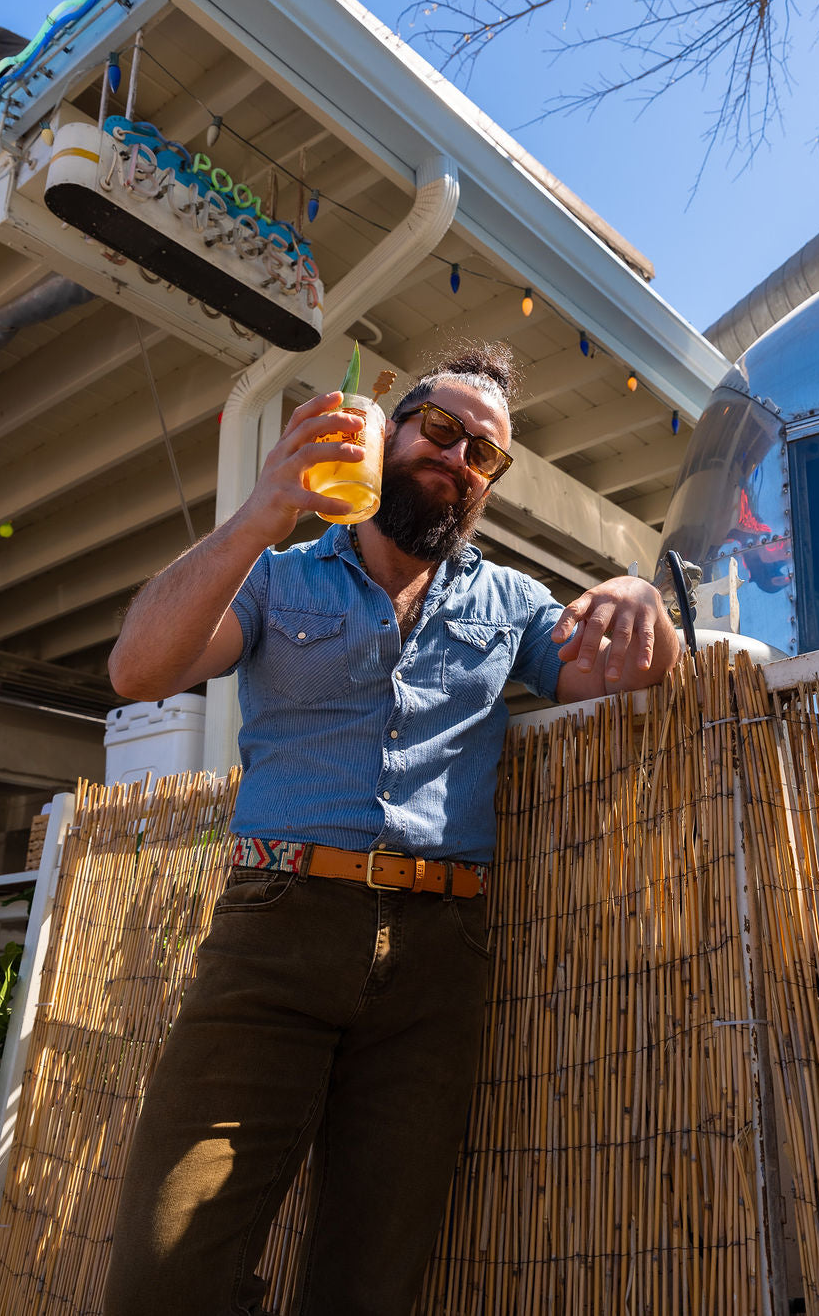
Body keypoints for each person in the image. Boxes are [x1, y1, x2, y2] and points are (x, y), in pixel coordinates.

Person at [103, 343, 680, 1316]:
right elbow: (139, 669)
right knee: (162, 1279)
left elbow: (618, 676)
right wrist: (261, 512)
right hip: (275, 938)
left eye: (482, 453)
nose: (456, 457)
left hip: (437, 961)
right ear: (389, 431)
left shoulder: (511, 604)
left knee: (371, 1288)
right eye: (440, 429)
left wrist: (639, 598)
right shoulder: (277, 577)